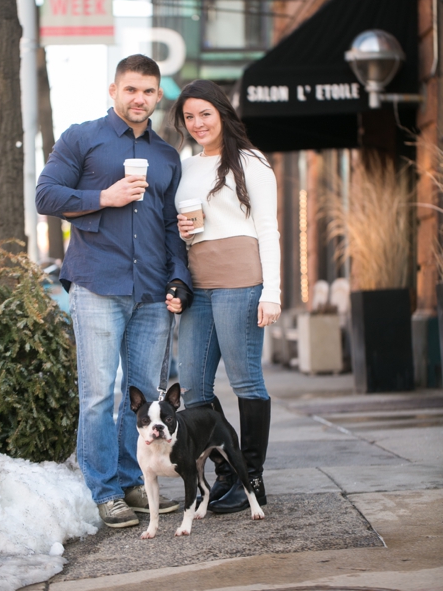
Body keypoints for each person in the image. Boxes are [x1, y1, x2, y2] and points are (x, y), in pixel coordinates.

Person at [35, 54, 193, 529]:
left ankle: (130, 481)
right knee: (99, 395)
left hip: (151, 293)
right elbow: (45, 195)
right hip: (97, 285)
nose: (139, 99)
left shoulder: (167, 156)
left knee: (142, 396)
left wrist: (179, 278)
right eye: (131, 89)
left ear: (157, 95)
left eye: (148, 91)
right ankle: (103, 491)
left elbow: (170, 227)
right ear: (114, 90)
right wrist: (104, 197)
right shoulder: (83, 138)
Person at [171, 79, 280, 514]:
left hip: (242, 280)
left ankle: (252, 475)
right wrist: (184, 233)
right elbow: (190, 225)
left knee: (245, 379)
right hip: (200, 282)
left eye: (205, 114)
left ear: (222, 114)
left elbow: (268, 228)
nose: (197, 123)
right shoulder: (186, 165)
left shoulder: (251, 161)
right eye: (189, 116)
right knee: (194, 384)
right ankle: (226, 471)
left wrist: (271, 291)